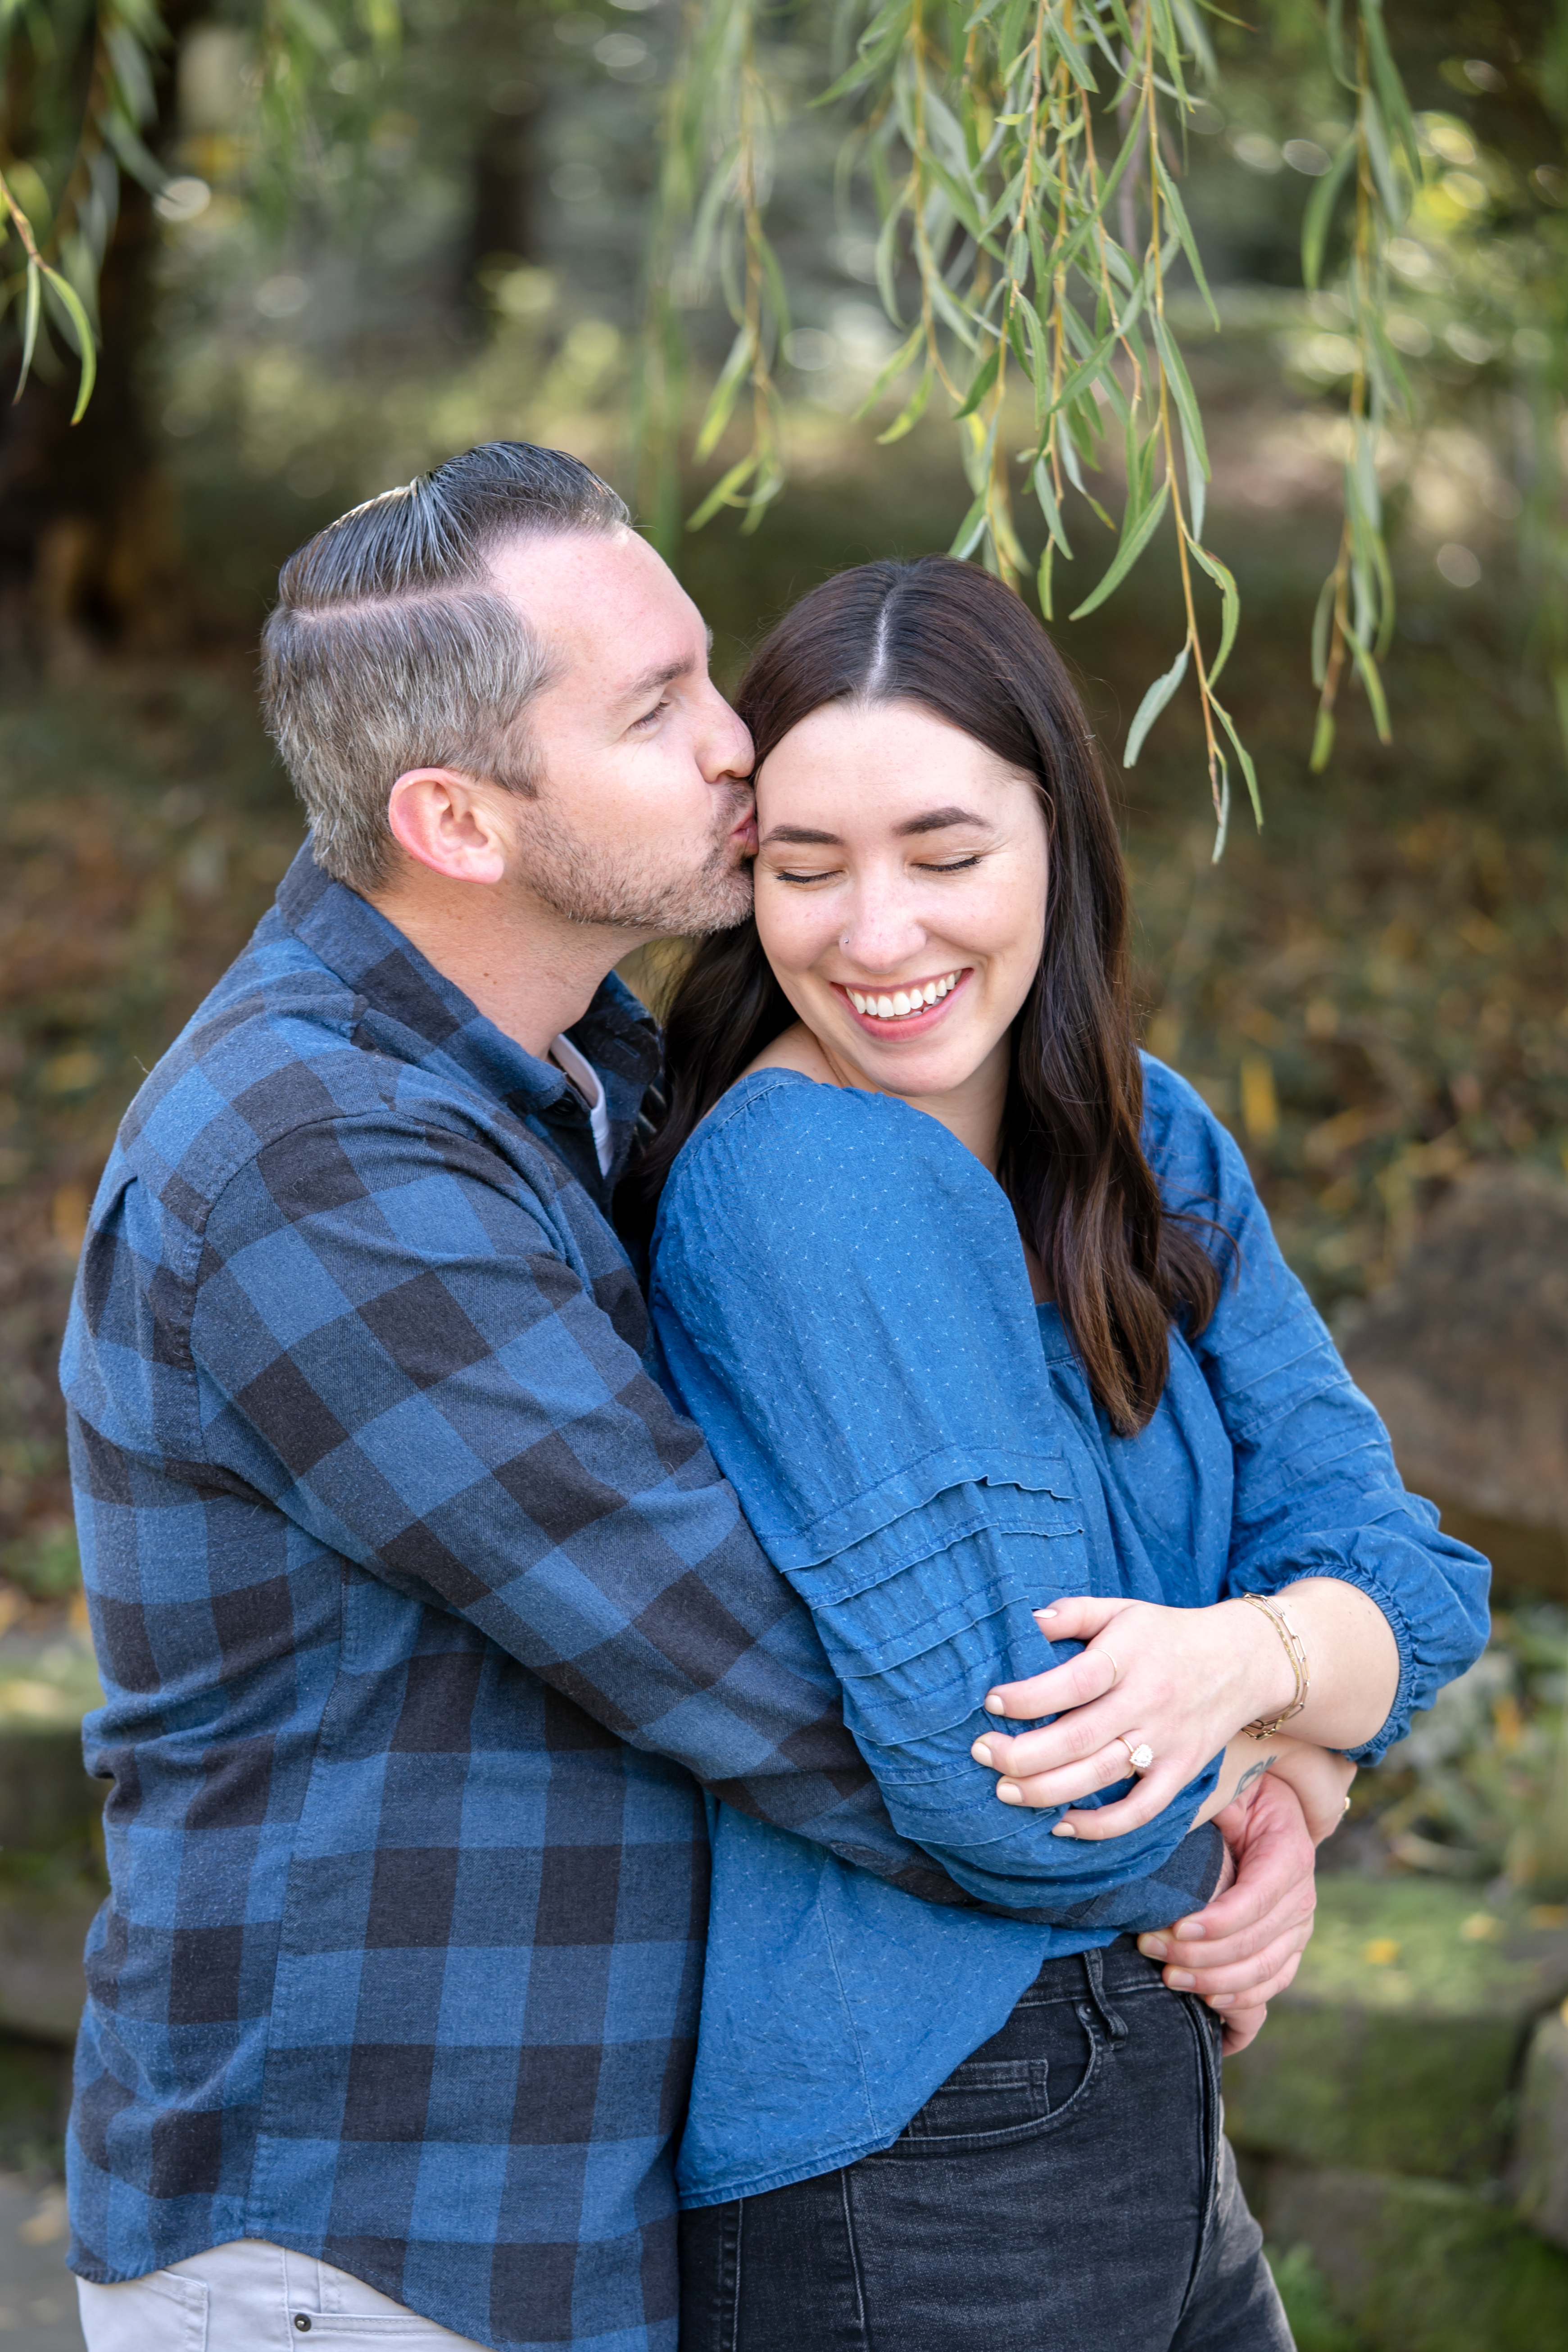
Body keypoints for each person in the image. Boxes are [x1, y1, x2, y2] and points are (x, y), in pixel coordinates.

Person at [61, 445, 1324, 2352]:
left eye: (705, 672)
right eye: (656, 712)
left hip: (563, 2206)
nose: (745, 746)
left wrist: (1277, 1705)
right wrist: (1206, 1817)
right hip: (370, 2239)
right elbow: (778, 1670)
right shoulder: (314, 1167)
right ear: (460, 821)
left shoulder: (578, 1083)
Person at [630, 556, 1491, 2352]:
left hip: (1139, 2104)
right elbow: (1008, 1782)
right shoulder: (796, 1180)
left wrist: (1255, 1691)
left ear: (1058, 840)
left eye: (946, 856)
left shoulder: (1143, 1131)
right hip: (914, 2153)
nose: (877, 935)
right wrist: (1288, 1750)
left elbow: (1413, 1570)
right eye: (804, 870)